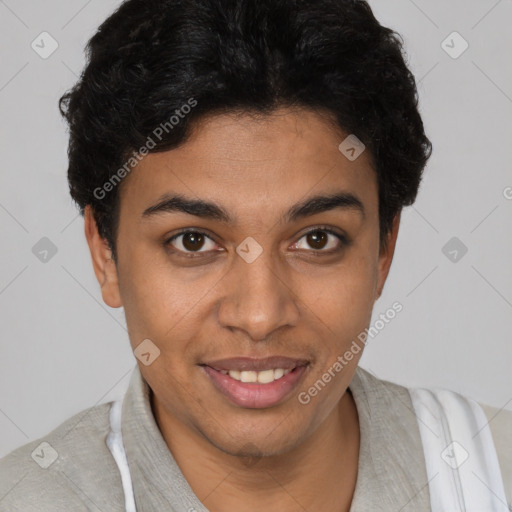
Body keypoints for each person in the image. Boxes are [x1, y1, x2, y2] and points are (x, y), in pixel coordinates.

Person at [0, 0, 510, 510]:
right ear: (104, 253)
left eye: (317, 239)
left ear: (384, 249)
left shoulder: (493, 474)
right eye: (193, 241)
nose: (260, 315)